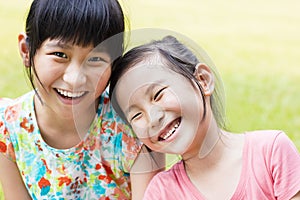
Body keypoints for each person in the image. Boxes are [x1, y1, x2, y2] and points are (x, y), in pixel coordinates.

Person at [0, 1, 161, 199]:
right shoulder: (9, 127)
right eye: (59, 55)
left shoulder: (133, 125)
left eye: (95, 59)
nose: (75, 78)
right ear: (26, 51)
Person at [109, 34, 300, 199]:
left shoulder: (271, 152)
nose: (153, 117)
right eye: (136, 115)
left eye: (158, 95)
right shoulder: (161, 192)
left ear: (203, 80)